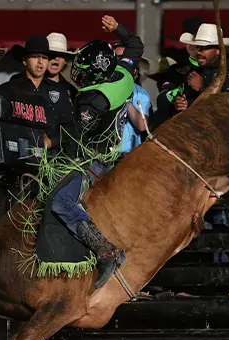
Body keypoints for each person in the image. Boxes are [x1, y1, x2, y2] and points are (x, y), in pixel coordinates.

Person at [49, 15, 144, 289]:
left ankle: (105, 251)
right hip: (115, 154)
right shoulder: (124, 75)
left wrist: (49, 143)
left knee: (60, 202)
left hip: (94, 161)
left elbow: (75, 140)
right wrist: (119, 30)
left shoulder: (91, 99)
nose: (78, 75)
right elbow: (135, 46)